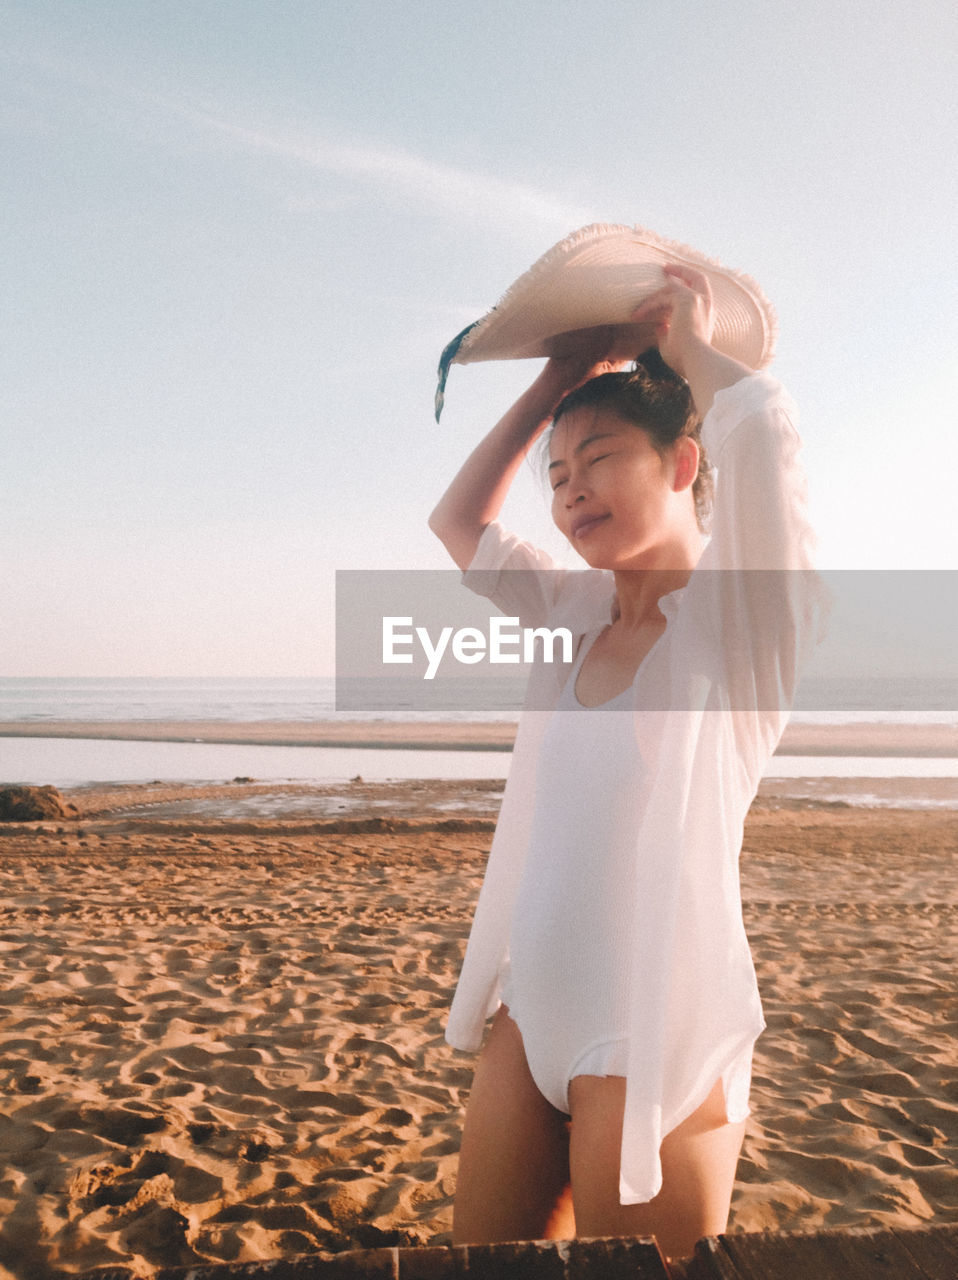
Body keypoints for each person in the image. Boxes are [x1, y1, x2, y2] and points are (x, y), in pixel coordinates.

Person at [428, 260, 822, 1260]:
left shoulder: (741, 625)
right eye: (558, 477)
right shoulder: (568, 611)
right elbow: (459, 523)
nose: (569, 492)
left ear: (683, 464)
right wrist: (549, 391)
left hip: (659, 1033)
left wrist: (688, 344)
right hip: (534, 1016)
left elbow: (764, 432)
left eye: (598, 459)